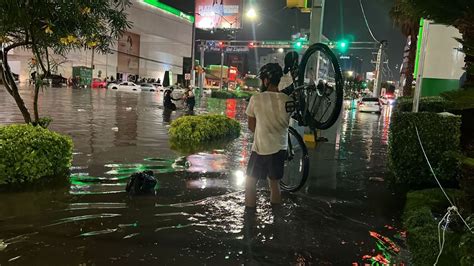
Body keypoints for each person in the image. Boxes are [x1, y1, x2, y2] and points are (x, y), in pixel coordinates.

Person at [245, 63, 292, 209]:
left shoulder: (256, 99)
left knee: (250, 183)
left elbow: (251, 126)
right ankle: (276, 218)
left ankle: (250, 216)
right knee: (274, 184)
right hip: (280, 149)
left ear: (266, 81)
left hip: (260, 149)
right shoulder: (288, 100)